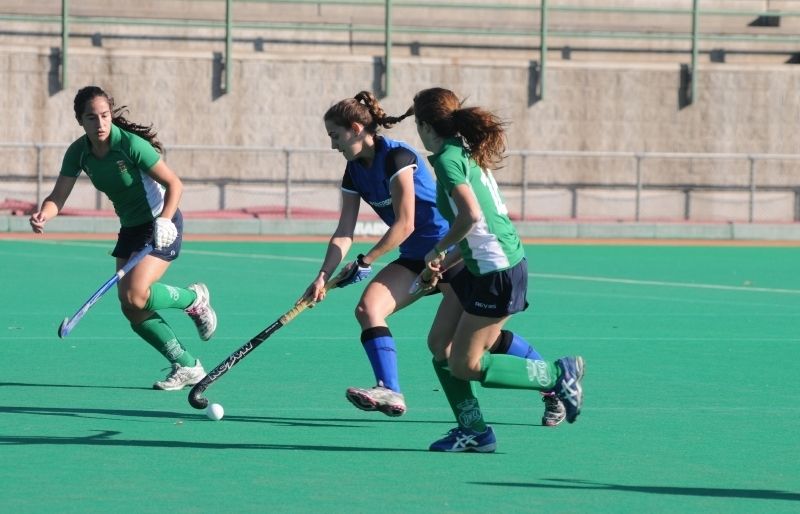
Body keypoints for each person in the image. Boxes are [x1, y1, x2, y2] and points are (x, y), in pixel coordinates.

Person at [300, 91, 562, 423]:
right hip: (415, 259)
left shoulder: (398, 158)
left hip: (450, 255)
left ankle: (552, 387)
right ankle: (390, 389)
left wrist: (366, 261)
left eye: (335, 136)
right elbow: (344, 232)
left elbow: (405, 223)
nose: (333, 145)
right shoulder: (353, 172)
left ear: (356, 128)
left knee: (479, 343)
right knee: (369, 309)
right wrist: (323, 274)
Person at [410, 87, 585, 452]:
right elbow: (481, 224)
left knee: (466, 364)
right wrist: (447, 261)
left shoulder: (446, 159)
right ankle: (474, 430)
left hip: (497, 271)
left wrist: (437, 249)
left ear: (424, 125)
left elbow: (472, 216)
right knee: (439, 344)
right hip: (484, 263)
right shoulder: (464, 149)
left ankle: (557, 374)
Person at [29, 85, 217, 391]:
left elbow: (175, 184)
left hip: (162, 222)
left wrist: (166, 220)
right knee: (130, 306)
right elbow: (58, 197)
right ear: (80, 120)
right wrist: (44, 215)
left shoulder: (130, 145)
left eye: (105, 116)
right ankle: (186, 364)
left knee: (136, 293)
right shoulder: (79, 153)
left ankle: (194, 300)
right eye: (92, 118)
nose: (100, 124)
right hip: (131, 228)